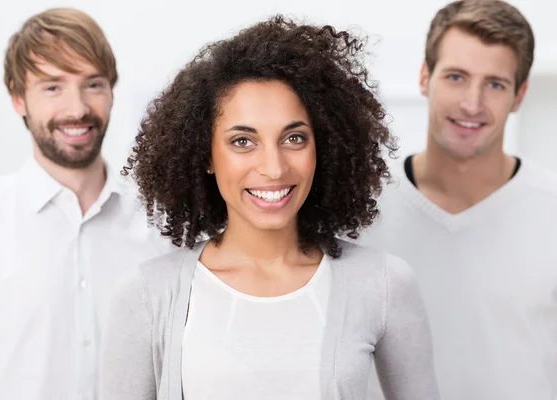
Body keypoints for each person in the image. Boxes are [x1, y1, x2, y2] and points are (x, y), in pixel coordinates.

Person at [99, 15, 440, 400]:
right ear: (206, 154)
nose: (274, 168)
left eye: (294, 138)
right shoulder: (147, 294)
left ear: (321, 146)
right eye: (243, 142)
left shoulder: (383, 283)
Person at [0, 8, 172, 400]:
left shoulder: (162, 225)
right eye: (52, 87)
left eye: (93, 84)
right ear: (18, 99)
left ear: (111, 91)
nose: (77, 109)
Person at [361, 1, 557, 399]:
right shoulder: (361, 209)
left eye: (495, 84)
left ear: (519, 96)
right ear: (424, 77)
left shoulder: (550, 208)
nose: (472, 103)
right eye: (455, 77)